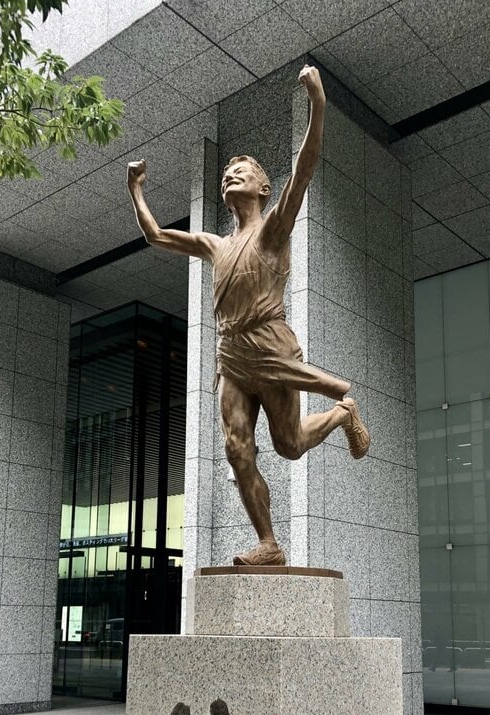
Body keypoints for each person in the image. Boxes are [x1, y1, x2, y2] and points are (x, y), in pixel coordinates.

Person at [127, 64, 370, 567]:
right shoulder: (215, 244)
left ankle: (344, 413)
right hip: (231, 355)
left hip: (271, 346)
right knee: (238, 449)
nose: (231, 173)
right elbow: (156, 236)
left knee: (290, 445)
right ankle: (269, 543)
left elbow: (304, 167)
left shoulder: (273, 230)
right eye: (225, 173)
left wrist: (318, 102)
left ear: (263, 188)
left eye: (244, 170)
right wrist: (137, 190)